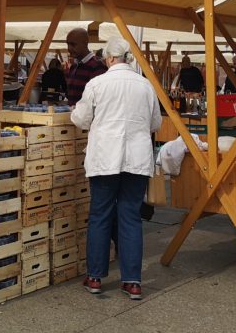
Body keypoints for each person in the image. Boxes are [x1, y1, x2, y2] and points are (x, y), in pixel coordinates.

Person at [71, 36, 161, 300]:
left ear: (109, 58)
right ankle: (132, 281)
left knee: (100, 215)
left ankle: (95, 277)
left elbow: (81, 118)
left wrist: (74, 112)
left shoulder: (97, 83)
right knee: (130, 217)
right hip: (136, 158)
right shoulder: (145, 86)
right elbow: (155, 123)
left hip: (105, 158)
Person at [65, 27, 106, 106]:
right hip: (74, 116)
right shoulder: (74, 66)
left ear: (85, 43)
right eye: (68, 44)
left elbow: (98, 99)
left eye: (73, 44)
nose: (69, 48)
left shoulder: (97, 66)